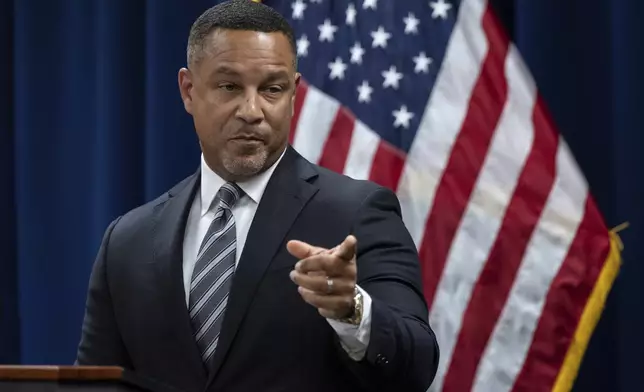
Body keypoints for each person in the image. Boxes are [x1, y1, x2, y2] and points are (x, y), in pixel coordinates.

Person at [75, 1, 439, 391]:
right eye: (229, 86)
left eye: (272, 89)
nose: (252, 110)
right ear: (188, 90)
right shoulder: (127, 240)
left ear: (294, 96)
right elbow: (94, 383)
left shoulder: (358, 213)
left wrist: (352, 311)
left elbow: (416, 363)